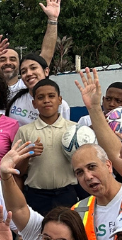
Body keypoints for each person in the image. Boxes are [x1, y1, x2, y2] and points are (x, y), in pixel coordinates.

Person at [13, 81, 82, 214]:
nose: (46, 101)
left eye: (51, 96)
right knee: (38, 232)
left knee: (67, 231)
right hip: (36, 196)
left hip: (67, 193)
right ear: (34, 103)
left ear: (60, 100)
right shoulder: (25, 131)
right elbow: (18, 172)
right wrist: (28, 155)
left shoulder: (74, 129)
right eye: (40, 97)